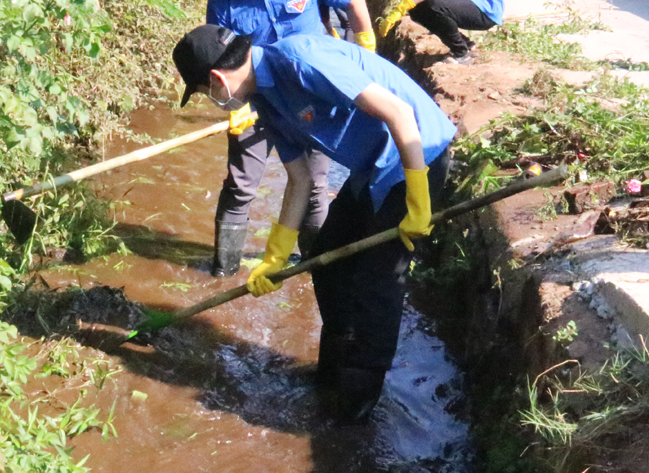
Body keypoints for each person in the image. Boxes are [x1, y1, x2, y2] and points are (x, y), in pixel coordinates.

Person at [172, 25, 456, 424]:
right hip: (370, 169)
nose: (212, 99)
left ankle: (356, 402)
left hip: (414, 155)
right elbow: (301, 178)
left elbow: (400, 113)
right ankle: (334, 373)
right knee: (325, 258)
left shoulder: (302, 61)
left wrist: (418, 197)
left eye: (204, 92)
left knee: (378, 283)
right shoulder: (266, 101)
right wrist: (275, 256)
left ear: (217, 79)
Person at [201, 0, 377, 278]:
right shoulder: (222, 4)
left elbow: (353, 1)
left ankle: (315, 266)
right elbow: (224, 67)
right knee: (240, 184)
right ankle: (223, 270)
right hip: (256, 100)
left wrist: (365, 55)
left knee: (313, 186)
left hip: (312, 101)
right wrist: (234, 106)